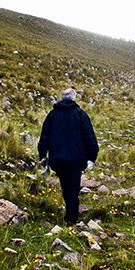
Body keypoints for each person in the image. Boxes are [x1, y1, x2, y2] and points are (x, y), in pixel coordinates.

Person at [38, 88, 100, 225]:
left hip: (58, 159)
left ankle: (70, 213)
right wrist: (92, 157)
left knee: (66, 185)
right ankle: (71, 218)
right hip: (76, 159)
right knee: (73, 187)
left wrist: (42, 156)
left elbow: (45, 136)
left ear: (61, 98)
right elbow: (89, 137)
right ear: (74, 99)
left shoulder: (52, 115)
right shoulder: (80, 114)